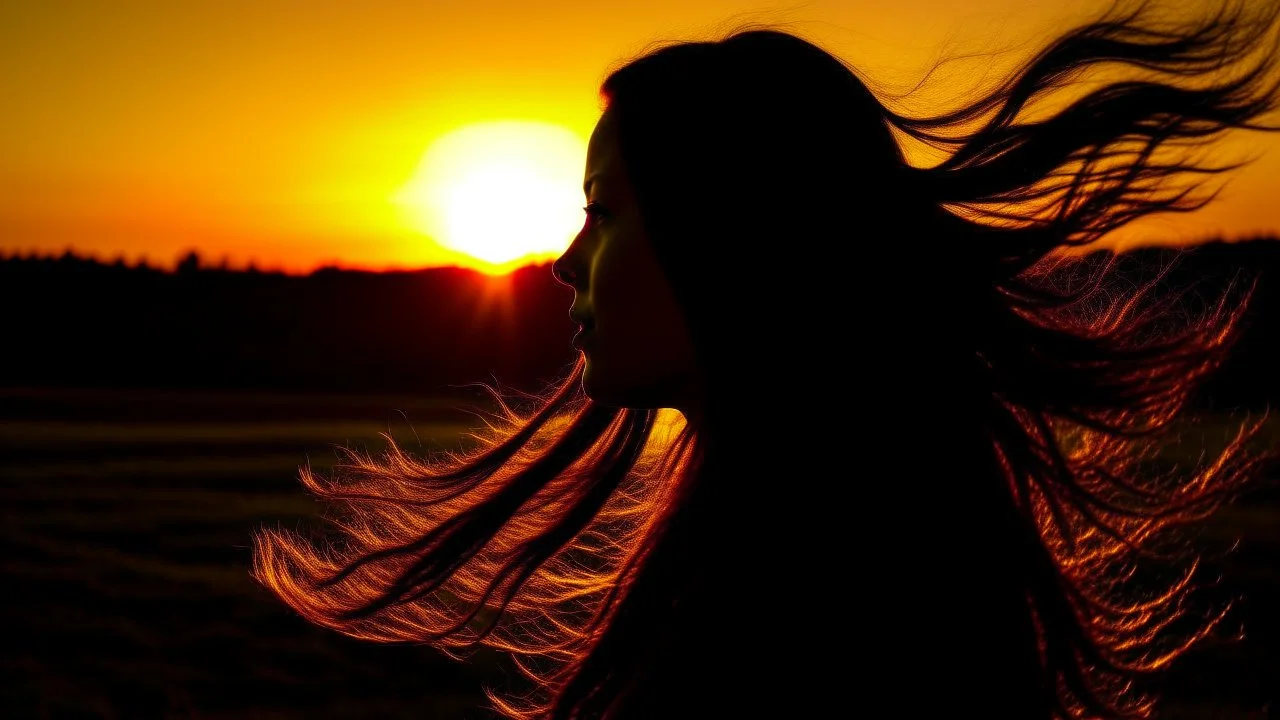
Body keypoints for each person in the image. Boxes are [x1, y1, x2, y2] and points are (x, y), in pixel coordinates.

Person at [253, 0, 1280, 717]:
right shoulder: (854, 536)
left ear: (733, 238)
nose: (565, 262)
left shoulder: (813, 609)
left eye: (601, 214)